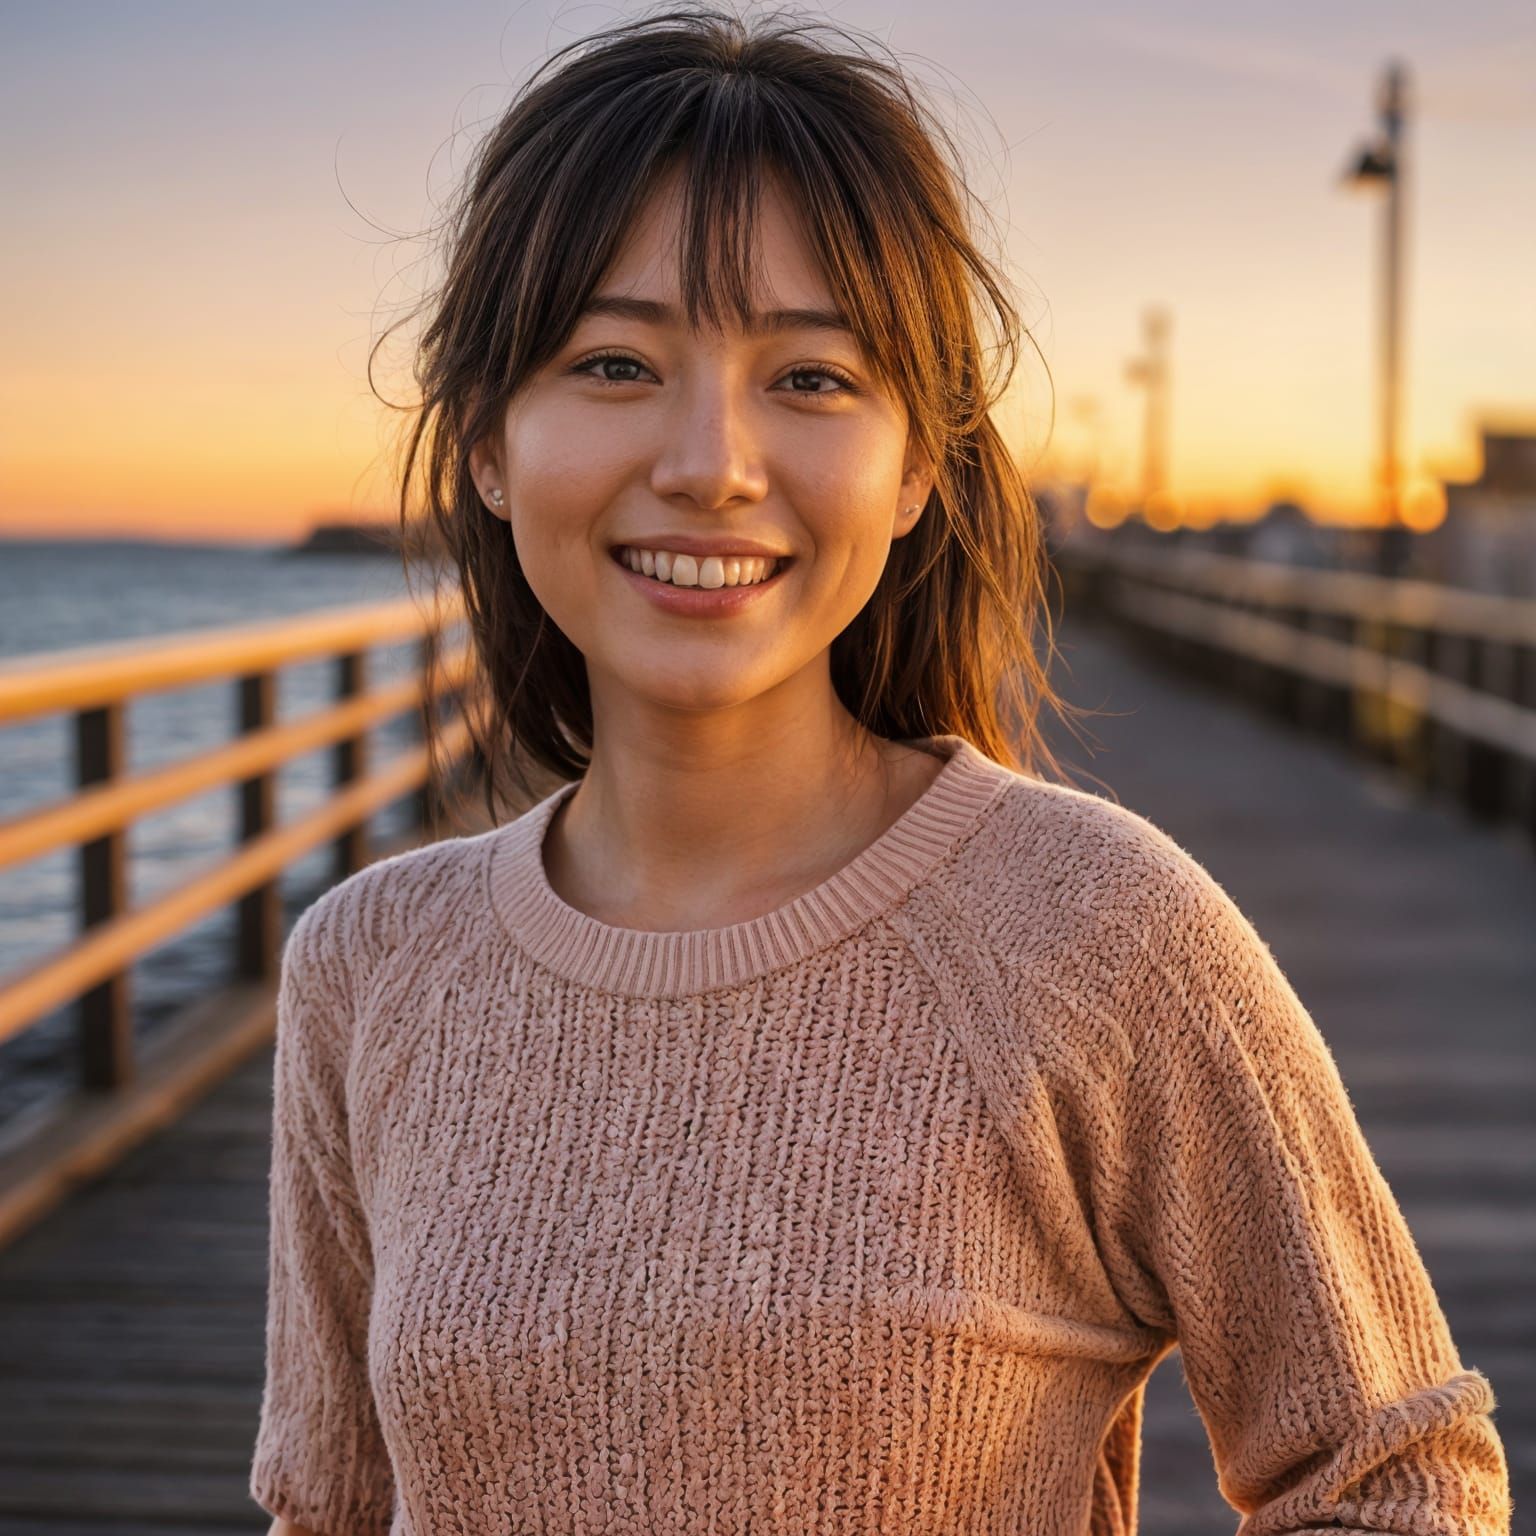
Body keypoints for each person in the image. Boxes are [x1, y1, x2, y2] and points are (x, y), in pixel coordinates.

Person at [249, 7, 1511, 1533]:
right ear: (487, 445)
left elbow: (1397, 1477)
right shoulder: (372, 968)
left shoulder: (1096, 932)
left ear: (919, 463)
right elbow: (326, 1510)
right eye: (615, 359)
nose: (710, 460)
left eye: (812, 379)